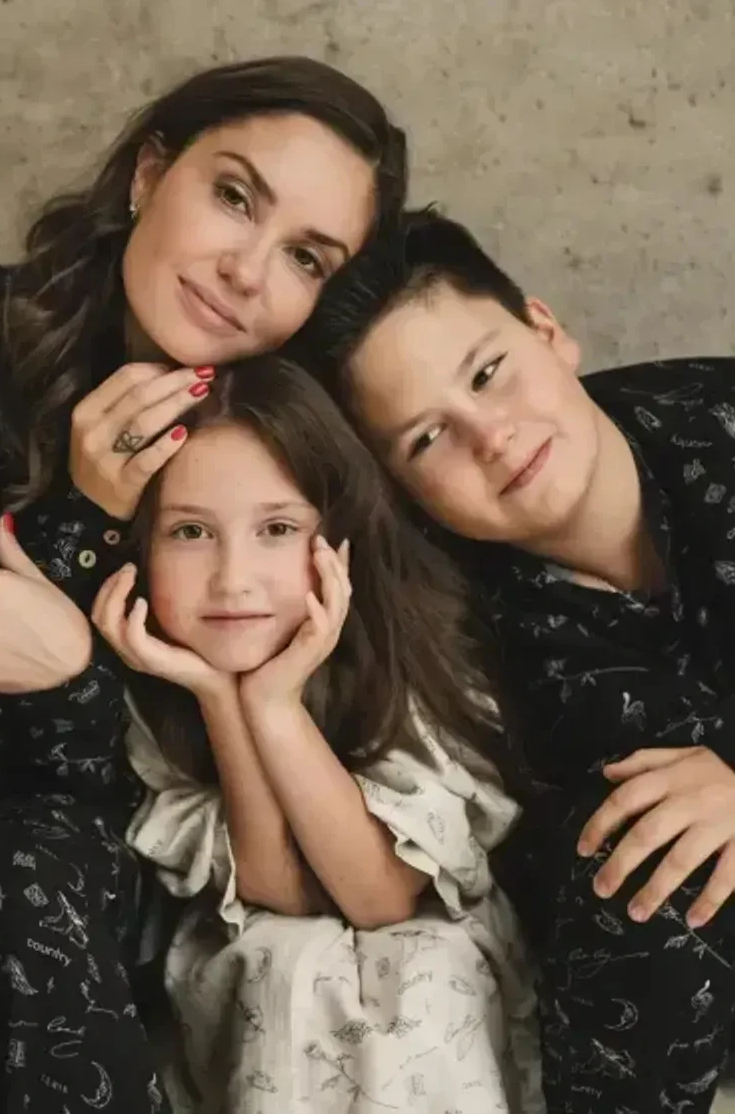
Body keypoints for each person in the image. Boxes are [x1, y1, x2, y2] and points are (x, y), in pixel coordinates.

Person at [0, 56, 406, 1112]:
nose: (246, 272)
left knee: (33, 870)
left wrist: (71, 675)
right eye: (233, 197)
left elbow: (114, 790)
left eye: (305, 257)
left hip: (90, 853)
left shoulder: (275, 443)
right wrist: (80, 526)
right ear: (151, 173)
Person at [304, 205, 735, 1112]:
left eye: (488, 373)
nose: (490, 435)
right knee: (641, 853)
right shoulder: (451, 624)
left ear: (546, 329)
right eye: (428, 439)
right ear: (403, 492)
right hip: (680, 952)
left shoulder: (718, 422)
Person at [90, 360, 544, 1113]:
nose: (233, 579)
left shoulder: (410, 653)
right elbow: (278, 892)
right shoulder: (149, 694)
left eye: (277, 530)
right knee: (280, 960)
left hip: (433, 950)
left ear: (338, 538)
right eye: (190, 532)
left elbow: (380, 898)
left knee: (421, 970)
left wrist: (276, 707)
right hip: (261, 964)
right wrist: (221, 699)